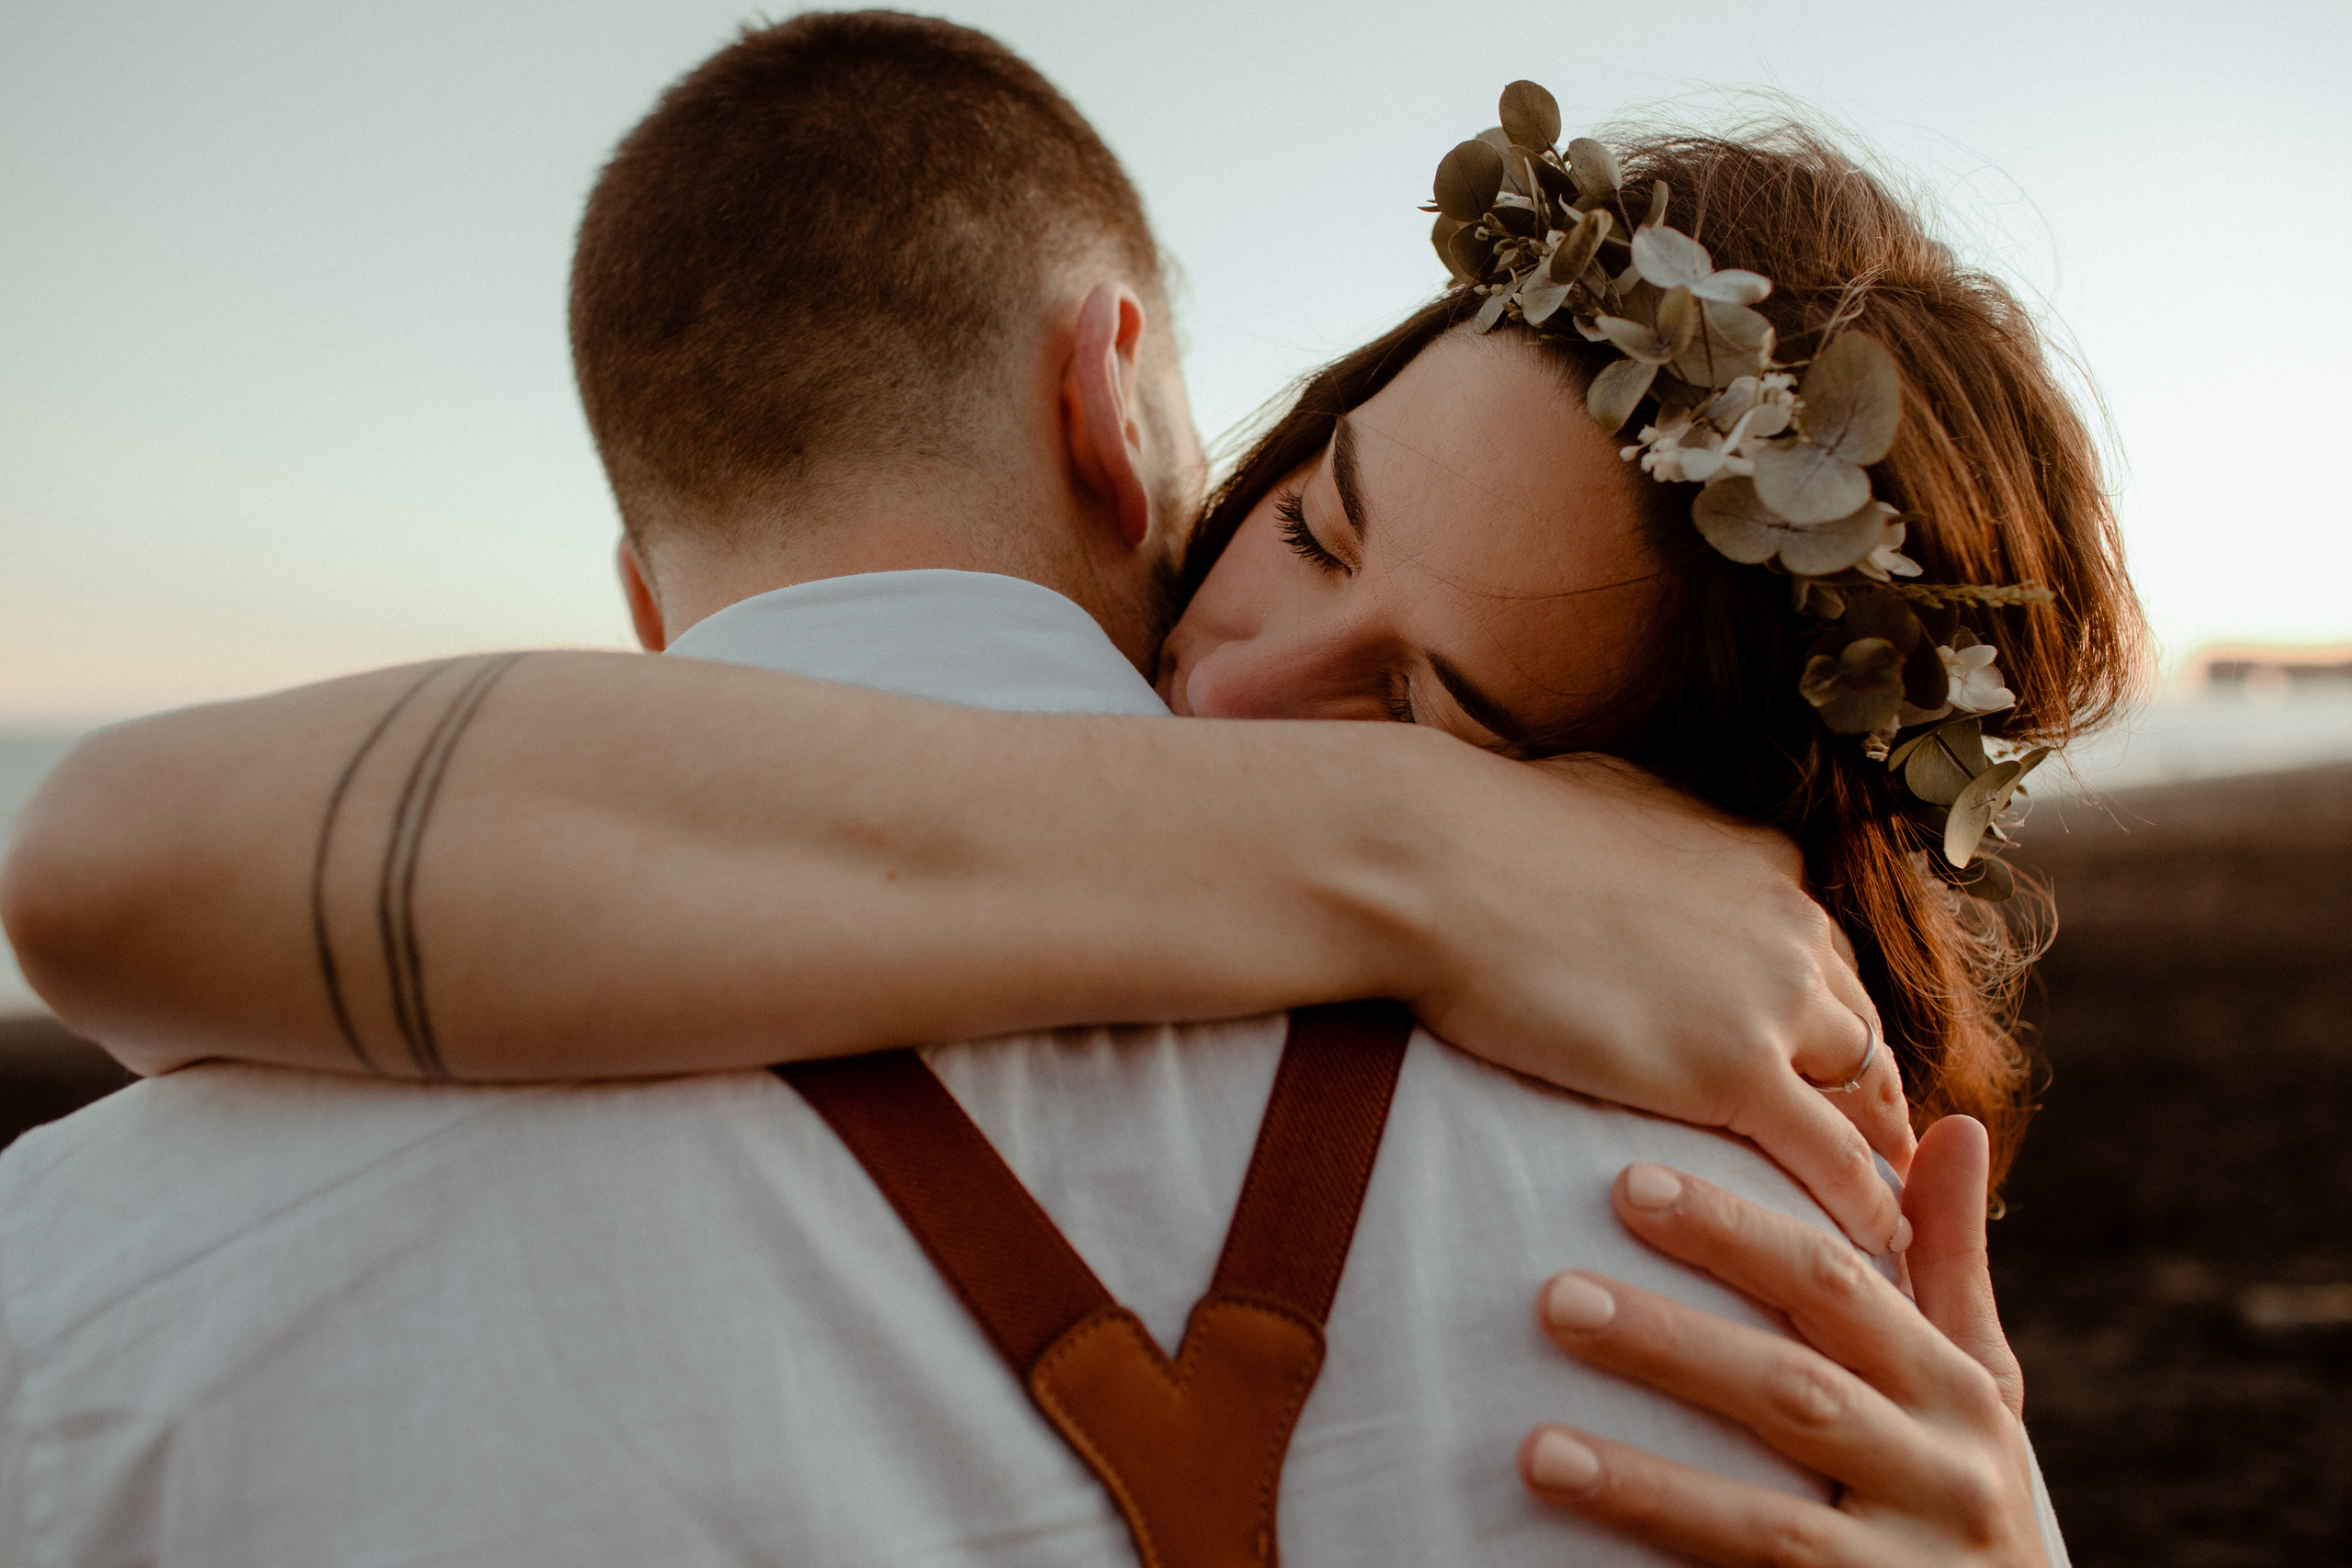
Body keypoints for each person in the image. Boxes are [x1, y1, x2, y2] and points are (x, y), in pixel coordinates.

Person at [0, 16, 2121, 1565]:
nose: (1232, 681)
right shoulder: (1733, 1271)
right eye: (1312, 520)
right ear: (1129, 403)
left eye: (1438, 709)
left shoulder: (81, 1285)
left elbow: (105, 864)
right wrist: (1431, 832)